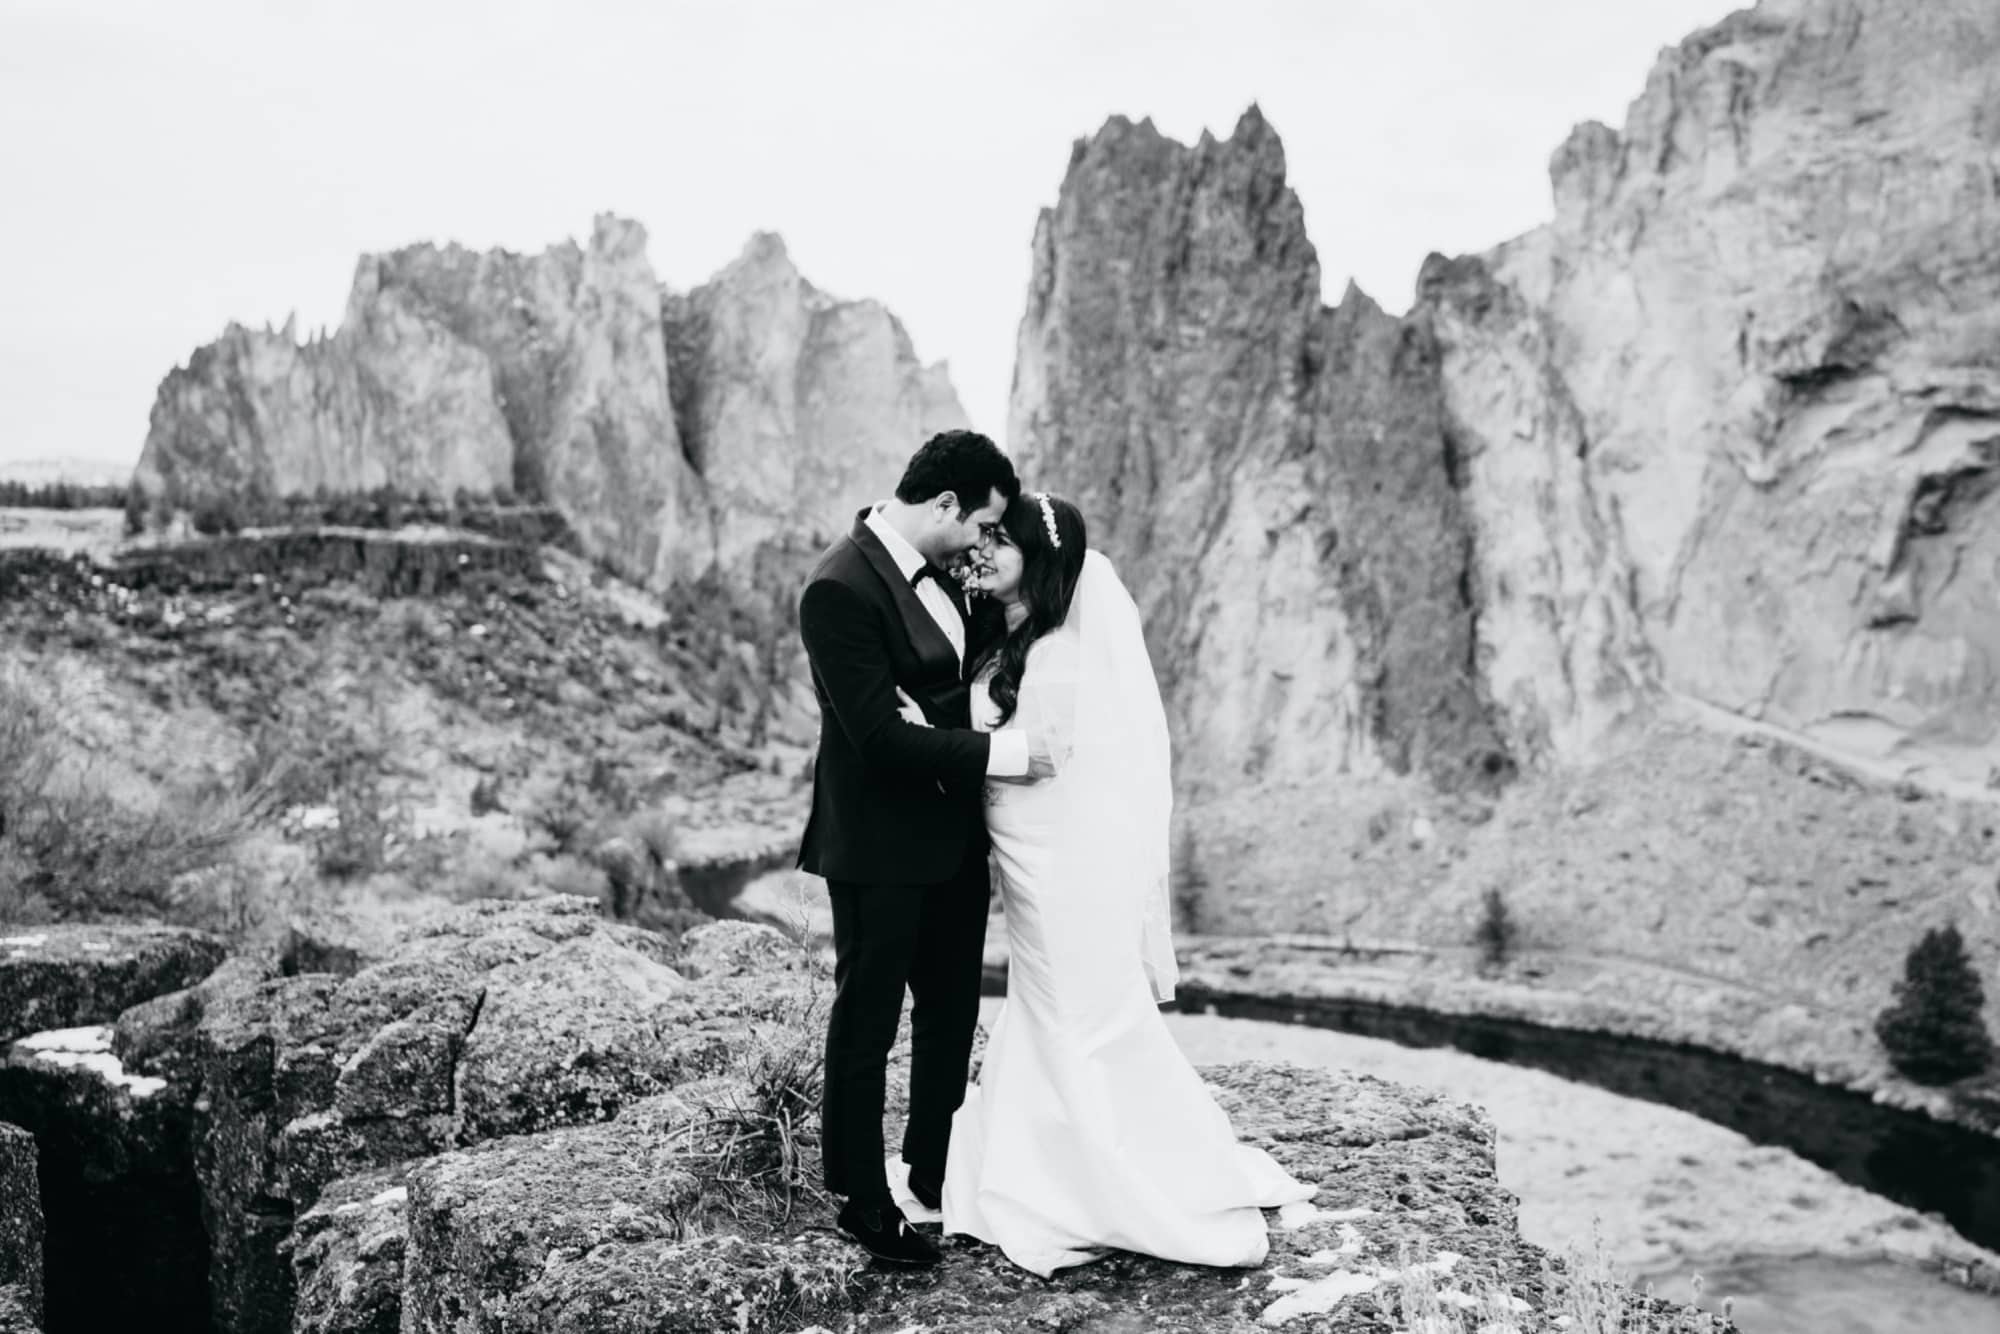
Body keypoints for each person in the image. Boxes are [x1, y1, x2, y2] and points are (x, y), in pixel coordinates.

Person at [939, 490, 1314, 1277]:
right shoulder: (1011, 635)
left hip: (1058, 862)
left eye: (1003, 543)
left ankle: (1104, 1184)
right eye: (988, 539)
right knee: (1046, 1007)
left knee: (1077, 1012)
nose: (987, 552)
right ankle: (1051, 1159)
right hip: (1023, 853)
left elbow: (1050, 758)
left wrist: (938, 736)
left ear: (1040, 562)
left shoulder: (1063, 654)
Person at [795, 429, 1053, 1267]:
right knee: (866, 1023)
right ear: (945, 506)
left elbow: (958, 691)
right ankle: (862, 1201)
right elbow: (876, 740)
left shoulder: (959, 579)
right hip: (875, 848)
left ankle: (937, 1174)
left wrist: (935, 719)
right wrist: (1007, 755)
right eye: (982, 525)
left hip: (951, 843)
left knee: (950, 1017)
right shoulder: (836, 588)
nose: (986, 543)